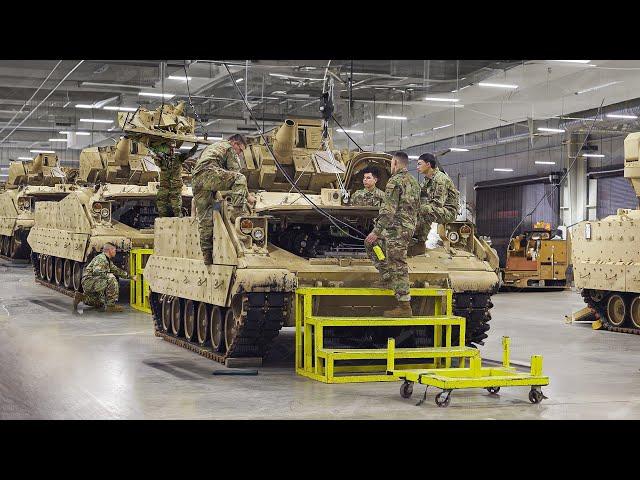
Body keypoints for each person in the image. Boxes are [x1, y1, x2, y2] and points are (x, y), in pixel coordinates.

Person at [364, 151, 421, 317]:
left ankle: (404, 307)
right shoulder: (414, 182)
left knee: (397, 262)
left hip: (395, 229)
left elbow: (389, 210)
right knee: (379, 248)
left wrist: (377, 230)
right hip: (408, 228)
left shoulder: (394, 181)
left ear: (395, 163)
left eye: (391, 163)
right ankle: (387, 276)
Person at [192, 134, 256, 265]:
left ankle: (207, 254)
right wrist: (248, 196)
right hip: (209, 175)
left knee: (205, 218)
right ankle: (238, 214)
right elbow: (237, 173)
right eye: (240, 150)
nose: (239, 154)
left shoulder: (213, 147)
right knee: (240, 179)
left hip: (197, 181)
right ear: (235, 143)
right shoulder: (228, 148)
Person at [412, 153, 461, 250]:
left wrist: (417, 208)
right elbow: (419, 192)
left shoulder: (440, 179)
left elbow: (437, 204)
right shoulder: (429, 178)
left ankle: (420, 243)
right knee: (419, 209)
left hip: (448, 212)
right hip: (439, 209)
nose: (417, 167)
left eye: (419, 164)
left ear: (428, 164)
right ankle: (415, 239)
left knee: (424, 211)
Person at [73, 243, 133, 313]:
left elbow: (117, 271)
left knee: (100, 303)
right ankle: (111, 306)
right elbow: (97, 271)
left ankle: (81, 297)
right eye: (114, 250)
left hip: (93, 282)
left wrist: (131, 277)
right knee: (112, 279)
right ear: (109, 250)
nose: (115, 252)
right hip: (90, 282)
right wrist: (108, 275)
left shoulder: (107, 260)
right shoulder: (101, 259)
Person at [149, 140, 198, 217]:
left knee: (176, 207)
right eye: (170, 148)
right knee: (161, 204)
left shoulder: (179, 158)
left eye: (173, 148)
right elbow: (155, 157)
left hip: (175, 187)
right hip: (164, 186)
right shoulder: (162, 158)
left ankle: (178, 222)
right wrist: (155, 154)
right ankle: (163, 221)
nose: (172, 150)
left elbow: (190, 154)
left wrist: (195, 146)